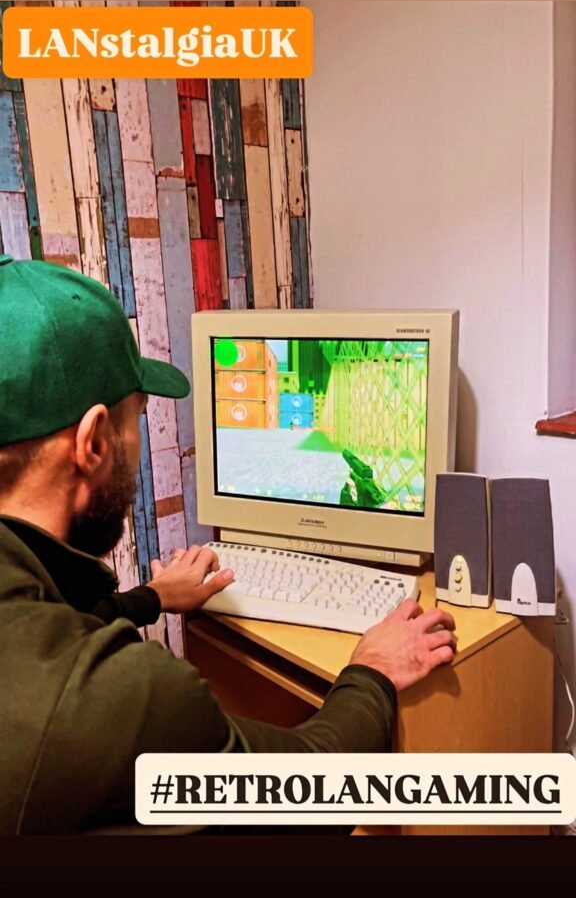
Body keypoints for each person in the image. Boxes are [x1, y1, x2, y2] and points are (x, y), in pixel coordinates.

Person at [0, 254, 456, 834]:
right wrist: (373, 669)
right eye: (137, 418)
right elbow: (311, 795)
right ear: (93, 443)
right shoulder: (126, 695)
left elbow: (42, 634)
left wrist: (149, 598)